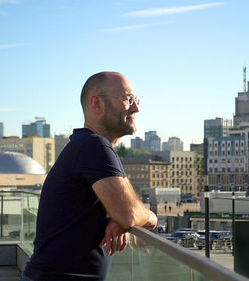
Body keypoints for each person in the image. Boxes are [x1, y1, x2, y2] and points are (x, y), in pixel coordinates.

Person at [20, 72, 157, 281]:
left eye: (136, 101)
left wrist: (118, 217)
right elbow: (128, 213)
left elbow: (123, 211)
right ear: (97, 104)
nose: (136, 108)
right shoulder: (93, 146)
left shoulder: (88, 146)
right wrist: (150, 217)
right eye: (128, 99)